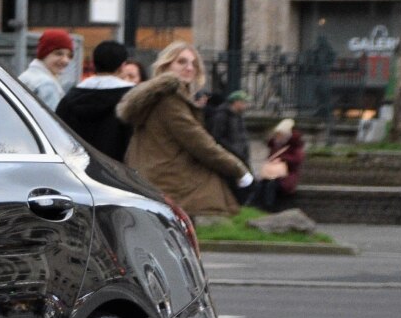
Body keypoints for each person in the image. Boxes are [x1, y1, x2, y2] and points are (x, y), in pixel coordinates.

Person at [118, 40, 254, 218]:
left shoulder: (160, 97)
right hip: (168, 180)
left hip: (154, 176)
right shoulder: (170, 100)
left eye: (193, 64)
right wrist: (239, 170)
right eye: (181, 62)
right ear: (166, 65)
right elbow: (199, 143)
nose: (189, 68)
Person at [56, 38, 135, 160]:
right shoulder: (132, 99)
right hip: (119, 171)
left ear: (93, 64)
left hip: (77, 167)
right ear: (122, 66)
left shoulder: (70, 99)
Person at [248, 117, 305, 212]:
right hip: (273, 174)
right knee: (261, 184)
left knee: (271, 185)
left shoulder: (295, 146)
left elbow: (297, 160)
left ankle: (267, 208)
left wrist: (282, 159)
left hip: (287, 176)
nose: (278, 136)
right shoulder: (275, 144)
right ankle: (254, 207)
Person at [18, 29, 79, 111]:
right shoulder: (46, 84)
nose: (65, 60)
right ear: (44, 53)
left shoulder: (25, 77)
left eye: (69, 56)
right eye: (58, 53)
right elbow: (52, 121)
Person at [207, 89, 253, 165]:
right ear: (236, 102)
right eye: (244, 102)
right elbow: (217, 137)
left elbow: (242, 135)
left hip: (242, 157)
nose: (246, 105)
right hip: (230, 157)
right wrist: (234, 151)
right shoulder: (222, 115)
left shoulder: (239, 116)